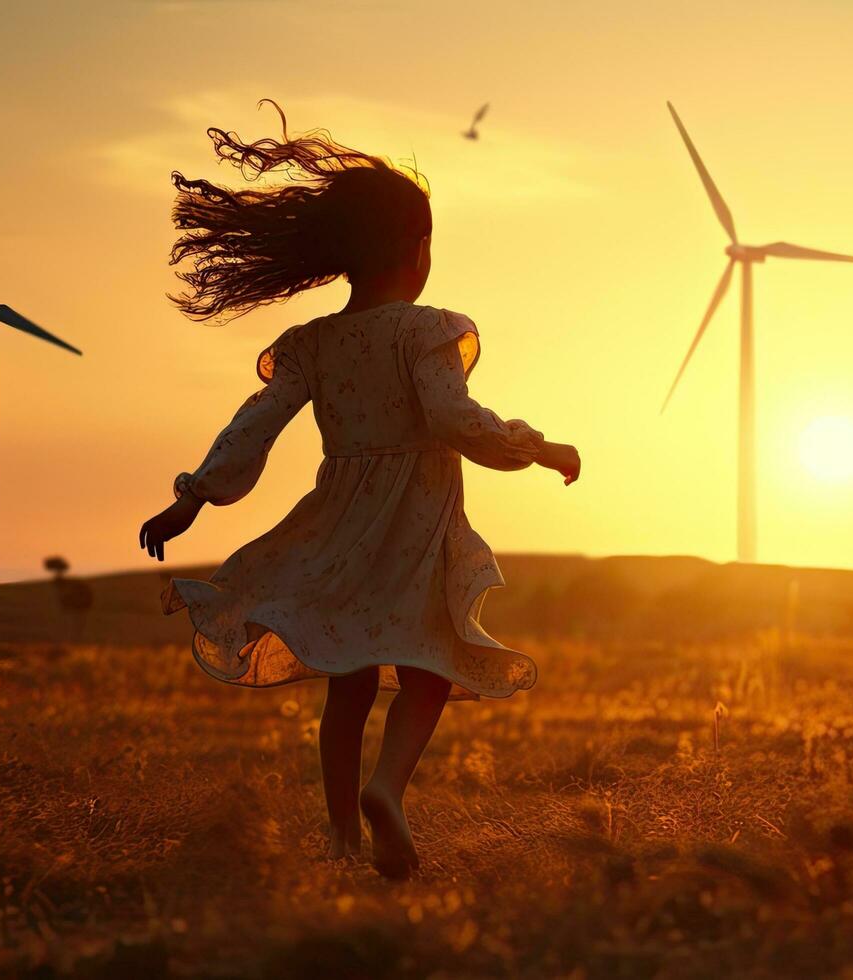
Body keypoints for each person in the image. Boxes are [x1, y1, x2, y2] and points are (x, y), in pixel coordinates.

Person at [138, 112, 580, 878]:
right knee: (428, 665)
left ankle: (343, 834)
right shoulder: (427, 330)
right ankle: (387, 788)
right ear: (418, 251)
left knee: (349, 675)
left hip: (339, 519)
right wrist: (534, 449)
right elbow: (452, 416)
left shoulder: (313, 343)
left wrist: (197, 494)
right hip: (416, 518)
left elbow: (257, 421)